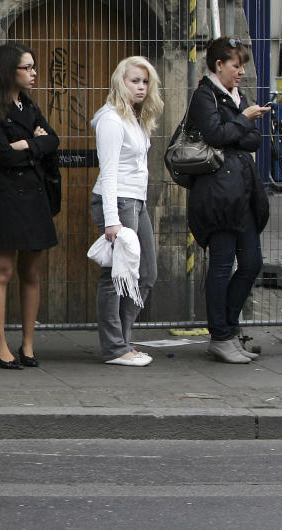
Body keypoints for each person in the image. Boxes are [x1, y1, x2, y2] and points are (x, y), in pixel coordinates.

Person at [186, 37, 270, 364]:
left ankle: (229, 330)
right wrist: (244, 119)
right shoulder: (204, 96)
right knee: (221, 265)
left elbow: (254, 141)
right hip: (217, 196)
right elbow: (217, 135)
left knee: (251, 263)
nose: (242, 71)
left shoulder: (237, 97)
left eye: (243, 64)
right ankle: (220, 336)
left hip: (242, 194)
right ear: (218, 65)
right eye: (236, 65)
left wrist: (240, 125)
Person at [0, 42, 58, 370]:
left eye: (33, 66)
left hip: (34, 193)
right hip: (7, 195)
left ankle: (27, 344)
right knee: (3, 269)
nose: (33, 72)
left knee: (31, 271)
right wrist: (35, 145)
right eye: (27, 67)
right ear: (9, 70)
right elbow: (2, 155)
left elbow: (53, 140)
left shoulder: (28, 105)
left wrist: (30, 143)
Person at [90, 56, 164, 367]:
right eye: (135, 80)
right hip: (118, 201)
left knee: (145, 274)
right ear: (121, 81)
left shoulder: (133, 117)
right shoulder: (111, 120)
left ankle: (123, 341)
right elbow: (108, 173)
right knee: (115, 277)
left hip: (136, 201)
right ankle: (115, 348)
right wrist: (112, 221)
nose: (141, 87)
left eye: (145, 82)